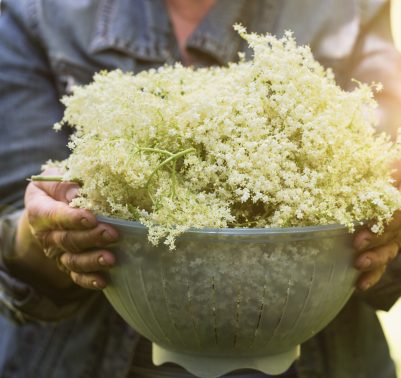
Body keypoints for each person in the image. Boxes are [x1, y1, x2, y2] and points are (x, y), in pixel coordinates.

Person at [1, 0, 401, 377]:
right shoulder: (35, 12)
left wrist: (386, 225)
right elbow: (13, 234)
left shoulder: (351, 9)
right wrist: (47, 231)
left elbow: (381, 200)